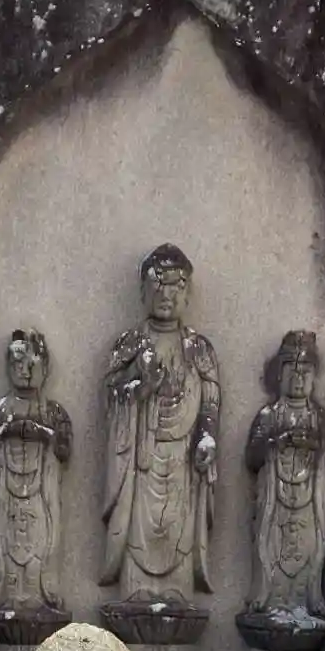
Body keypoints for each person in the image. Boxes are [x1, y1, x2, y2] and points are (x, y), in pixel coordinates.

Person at [101, 245, 220, 604]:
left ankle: (177, 591)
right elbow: (112, 397)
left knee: (178, 525)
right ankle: (136, 588)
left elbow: (211, 401)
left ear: (187, 293)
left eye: (176, 286)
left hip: (182, 457)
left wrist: (207, 437)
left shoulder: (198, 349)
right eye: (158, 285)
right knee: (138, 522)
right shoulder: (131, 344)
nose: (166, 295)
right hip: (141, 456)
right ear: (143, 291)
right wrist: (142, 387)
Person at [245, 331, 325, 622]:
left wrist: (315, 446)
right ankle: (268, 596)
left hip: (309, 505)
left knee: (309, 548)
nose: (299, 379)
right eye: (292, 372)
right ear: (280, 375)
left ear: (314, 377)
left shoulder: (321, 419)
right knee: (271, 544)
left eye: (305, 372)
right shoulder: (268, 416)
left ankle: (308, 598)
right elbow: (252, 457)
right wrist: (278, 443)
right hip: (275, 503)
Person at [0, 330, 71, 612]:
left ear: (45, 368)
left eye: (32, 365)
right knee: (5, 542)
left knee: (41, 542)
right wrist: (5, 432)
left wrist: (43, 434)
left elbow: (64, 448)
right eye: (18, 365)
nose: (25, 372)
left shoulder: (54, 413)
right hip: (7, 494)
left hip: (41, 494)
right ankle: (5, 591)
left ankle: (41, 591)